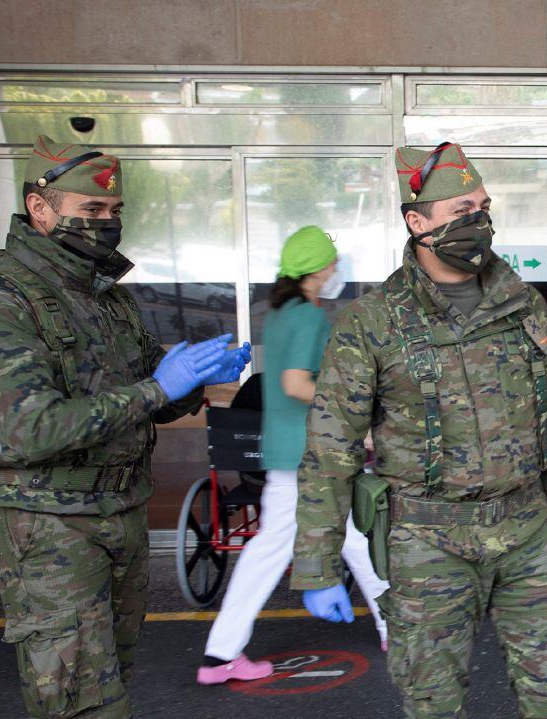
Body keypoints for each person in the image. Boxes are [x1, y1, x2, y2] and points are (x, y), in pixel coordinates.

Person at [291, 142, 547, 718]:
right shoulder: (372, 322)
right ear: (418, 223)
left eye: (484, 207)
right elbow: (330, 447)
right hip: (427, 540)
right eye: (462, 209)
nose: (479, 221)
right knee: (433, 700)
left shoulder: (525, 306)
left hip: (526, 528)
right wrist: (316, 563)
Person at [0, 136, 250, 718]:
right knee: (79, 704)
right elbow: (28, 429)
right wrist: (159, 385)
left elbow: (136, 397)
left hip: (116, 514)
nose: (106, 224)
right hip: (51, 527)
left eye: (114, 213)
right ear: (40, 208)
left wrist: (189, 383)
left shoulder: (102, 295)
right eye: (91, 211)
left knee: (109, 688)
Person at [198, 226, 388, 685]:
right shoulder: (308, 317)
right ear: (317, 269)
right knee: (324, 540)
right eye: (332, 262)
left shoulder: (280, 313)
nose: (336, 269)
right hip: (310, 448)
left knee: (349, 537)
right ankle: (222, 654)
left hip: (287, 447)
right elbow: (296, 384)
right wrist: (352, 407)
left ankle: (395, 623)